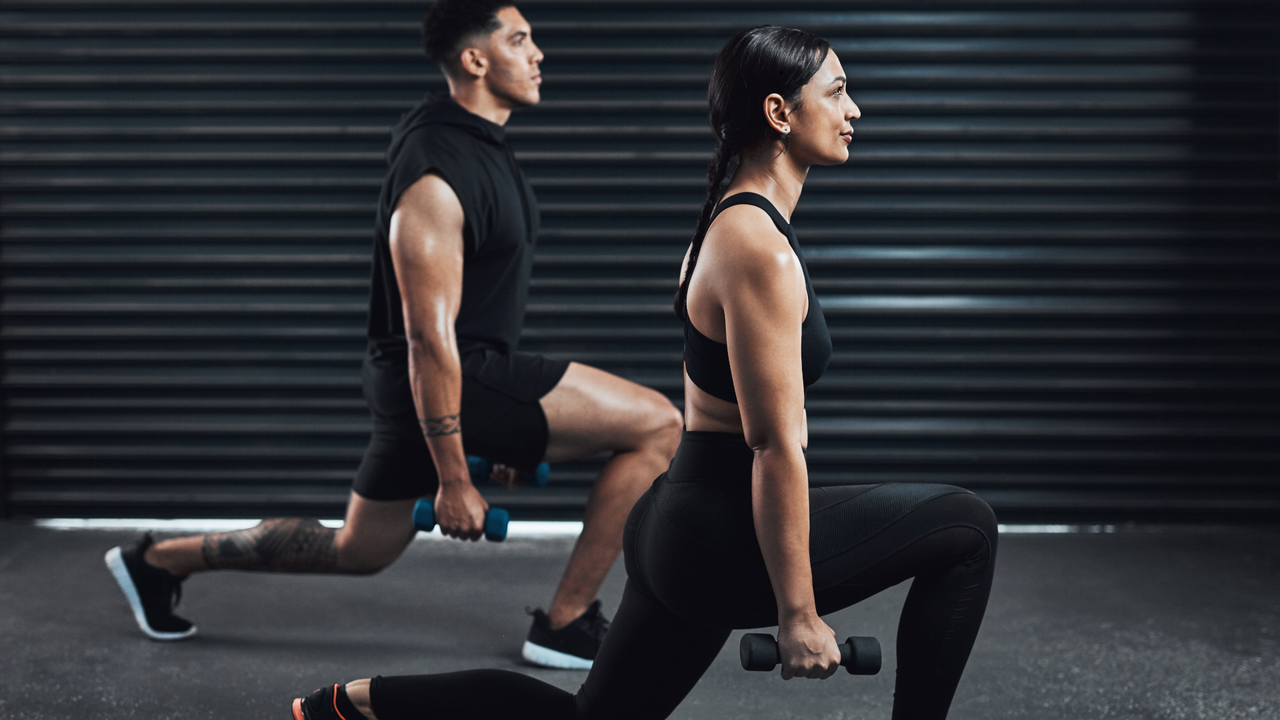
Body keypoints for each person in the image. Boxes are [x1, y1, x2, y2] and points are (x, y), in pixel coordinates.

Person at [287, 24, 998, 720]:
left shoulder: (731, 222)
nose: (855, 111)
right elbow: (772, 444)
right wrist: (798, 613)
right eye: (839, 92)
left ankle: (352, 705)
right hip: (715, 531)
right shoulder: (757, 247)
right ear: (779, 113)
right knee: (965, 526)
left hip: (676, 521)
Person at [103, 0, 683, 670]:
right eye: (520, 40)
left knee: (358, 551)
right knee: (658, 424)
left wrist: (487, 439)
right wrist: (454, 477)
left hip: (439, 386)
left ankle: (156, 560)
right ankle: (566, 622)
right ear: (475, 59)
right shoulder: (435, 177)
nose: (538, 54)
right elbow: (428, 339)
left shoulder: (473, 142)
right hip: (448, 376)